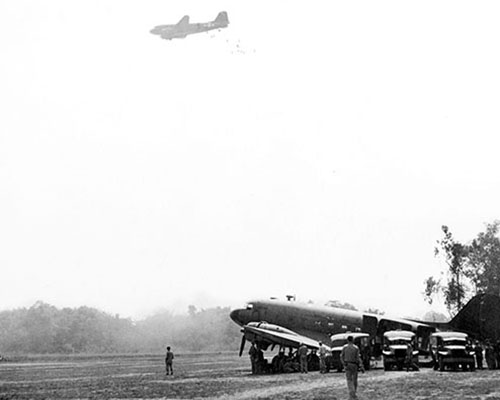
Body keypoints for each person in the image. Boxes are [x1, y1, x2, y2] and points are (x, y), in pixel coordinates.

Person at [341, 336, 364, 400]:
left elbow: (341, 356)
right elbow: (358, 357)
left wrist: (343, 363)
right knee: (355, 379)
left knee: (349, 379)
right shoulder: (356, 347)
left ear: (347, 340)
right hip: (354, 364)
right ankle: (354, 392)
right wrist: (361, 366)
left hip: (347, 364)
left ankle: (351, 392)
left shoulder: (344, 347)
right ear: (353, 340)